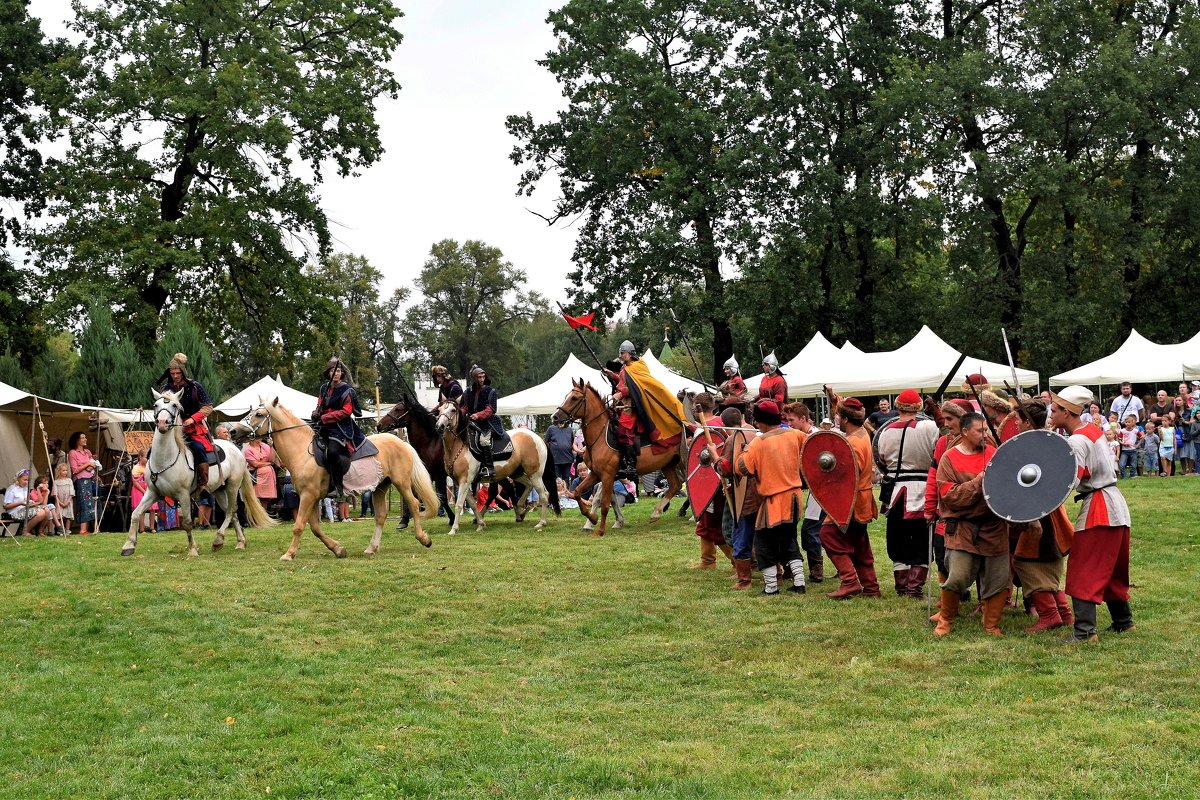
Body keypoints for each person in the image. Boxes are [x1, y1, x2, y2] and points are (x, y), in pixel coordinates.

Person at [1050, 385, 1134, 643]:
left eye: (1054, 410)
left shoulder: (1076, 439)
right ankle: (1123, 622)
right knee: (1112, 569)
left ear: (1067, 412)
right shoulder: (1093, 430)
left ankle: (1085, 632)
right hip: (1115, 505)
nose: (1051, 415)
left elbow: (1071, 480)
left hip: (1100, 508)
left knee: (1084, 567)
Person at [930, 413, 1012, 637]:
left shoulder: (994, 455)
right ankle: (946, 619)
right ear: (965, 432)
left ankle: (991, 624)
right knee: (957, 576)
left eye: (986, 430)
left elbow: (1007, 492)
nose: (985, 434)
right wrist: (978, 482)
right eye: (980, 431)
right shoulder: (949, 458)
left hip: (994, 527)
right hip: (963, 528)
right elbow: (950, 496)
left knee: (998, 578)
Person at [1009, 400, 1074, 633]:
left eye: (1018, 420)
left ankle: (1049, 615)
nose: (1015, 424)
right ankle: (1064, 613)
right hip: (1052, 513)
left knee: (1027, 562)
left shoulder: (1035, 447)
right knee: (1049, 563)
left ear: (1027, 422)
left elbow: (1038, 484)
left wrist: (1033, 518)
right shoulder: (1045, 443)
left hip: (1041, 513)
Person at [731, 399, 807, 595]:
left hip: (774, 500)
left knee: (764, 543)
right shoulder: (796, 435)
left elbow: (742, 468)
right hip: (795, 498)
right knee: (789, 539)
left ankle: (771, 587)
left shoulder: (758, 442)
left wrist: (742, 451)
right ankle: (799, 583)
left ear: (761, 421)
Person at [874, 388, 939, 598]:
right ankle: (913, 588)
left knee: (898, 539)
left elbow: (881, 458)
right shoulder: (930, 427)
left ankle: (903, 587)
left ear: (897, 407)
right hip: (921, 490)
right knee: (921, 540)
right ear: (919, 406)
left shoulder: (886, 430)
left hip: (896, 493)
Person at [819, 394, 880, 599]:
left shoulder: (853, 443)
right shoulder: (862, 433)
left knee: (828, 534)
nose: (837, 420)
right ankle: (871, 588)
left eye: (839, 417)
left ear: (845, 419)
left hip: (851, 501)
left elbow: (846, 475)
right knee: (859, 544)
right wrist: (837, 403)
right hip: (861, 500)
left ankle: (850, 582)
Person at [602, 340, 685, 480]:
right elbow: (624, 382)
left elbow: (635, 388)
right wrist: (612, 375)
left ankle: (631, 466)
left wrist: (620, 393)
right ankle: (620, 461)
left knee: (625, 429)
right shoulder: (625, 368)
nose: (621, 356)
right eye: (621, 353)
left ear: (631, 353)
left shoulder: (638, 367)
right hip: (624, 405)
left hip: (634, 407)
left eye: (623, 353)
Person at [157, 352, 216, 491]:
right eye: (172, 373)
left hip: (192, 429)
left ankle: (203, 481)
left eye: (178, 373)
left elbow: (208, 407)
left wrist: (192, 419)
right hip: (171, 429)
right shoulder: (165, 389)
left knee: (198, 448)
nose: (175, 376)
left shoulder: (195, 387)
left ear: (183, 372)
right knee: (152, 450)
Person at [689, 392, 734, 572]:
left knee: (715, 524)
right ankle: (707, 560)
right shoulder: (723, 424)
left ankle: (738, 561)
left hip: (714, 483)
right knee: (705, 521)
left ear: (696, 409)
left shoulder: (706, 428)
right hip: (718, 479)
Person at [312, 356, 367, 494]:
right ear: (329, 373)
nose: (335, 373)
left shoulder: (346, 389)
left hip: (341, 427)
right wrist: (316, 412)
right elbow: (319, 404)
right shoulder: (323, 388)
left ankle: (338, 486)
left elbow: (346, 411)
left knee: (332, 452)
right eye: (332, 371)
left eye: (338, 371)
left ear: (341, 373)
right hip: (323, 426)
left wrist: (326, 417)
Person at [783, 401, 824, 583]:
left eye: (792, 420)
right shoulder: (799, 436)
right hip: (811, 490)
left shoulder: (816, 437)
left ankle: (818, 570)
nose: (789, 424)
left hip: (822, 490)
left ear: (803, 419)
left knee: (811, 530)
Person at [462, 364, 503, 479]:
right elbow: (465, 407)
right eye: (479, 377)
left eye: (483, 377)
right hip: (471, 422)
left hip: (487, 423)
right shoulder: (467, 392)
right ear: (474, 378)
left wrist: (478, 415)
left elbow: (491, 409)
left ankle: (490, 468)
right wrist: (458, 413)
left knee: (484, 441)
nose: (481, 379)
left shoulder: (490, 391)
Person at [68, 431, 101, 535]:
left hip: (91, 478)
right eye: (83, 438)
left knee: (95, 501)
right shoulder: (73, 453)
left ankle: (95, 527)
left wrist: (88, 465)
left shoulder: (87, 452)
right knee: (84, 503)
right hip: (81, 481)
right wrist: (87, 464)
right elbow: (75, 470)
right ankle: (82, 529)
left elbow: (93, 466)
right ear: (77, 440)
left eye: (85, 437)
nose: (85, 439)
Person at [4, 470, 52, 535]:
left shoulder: (26, 489)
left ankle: (40, 532)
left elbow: (40, 502)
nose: (26, 482)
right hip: (14, 512)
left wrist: (31, 503)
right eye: (24, 480)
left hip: (25, 509)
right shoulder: (12, 489)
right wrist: (20, 503)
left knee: (46, 510)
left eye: (27, 480)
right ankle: (25, 531)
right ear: (18, 479)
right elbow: (6, 506)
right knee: (41, 513)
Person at [243, 435, 278, 512]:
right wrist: (267, 463)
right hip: (256, 476)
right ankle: (255, 518)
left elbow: (272, 460)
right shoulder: (248, 449)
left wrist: (271, 447)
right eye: (259, 437)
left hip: (268, 475)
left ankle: (264, 516)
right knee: (255, 497)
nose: (261, 438)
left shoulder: (265, 446)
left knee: (265, 498)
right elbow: (255, 464)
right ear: (252, 438)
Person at [130, 450, 154, 534]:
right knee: (142, 509)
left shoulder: (149, 467)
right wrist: (143, 491)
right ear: (140, 457)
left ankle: (152, 527)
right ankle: (142, 529)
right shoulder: (136, 468)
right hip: (139, 489)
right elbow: (135, 482)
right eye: (146, 457)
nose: (147, 459)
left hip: (148, 488)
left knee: (152, 508)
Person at [53, 463, 75, 535]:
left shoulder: (69, 480)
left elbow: (72, 492)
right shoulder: (56, 482)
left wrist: (68, 501)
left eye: (66, 470)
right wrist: (60, 502)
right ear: (59, 471)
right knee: (59, 515)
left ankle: (67, 529)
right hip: (59, 501)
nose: (65, 472)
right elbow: (55, 494)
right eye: (63, 470)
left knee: (68, 515)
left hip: (68, 500)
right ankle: (61, 530)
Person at [1158, 412, 1176, 477]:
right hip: (1163, 446)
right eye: (1162, 421)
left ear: (1169, 421)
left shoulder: (1172, 429)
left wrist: (1175, 448)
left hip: (1170, 447)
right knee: (1163, 457)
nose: (1163, 422)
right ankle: (1164, 471)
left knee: (1169, 462)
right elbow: (1161, 438)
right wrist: (1160, 432)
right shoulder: (1161, 429)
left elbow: (1174, 439)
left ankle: (1168, 476)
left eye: (1165, 421)